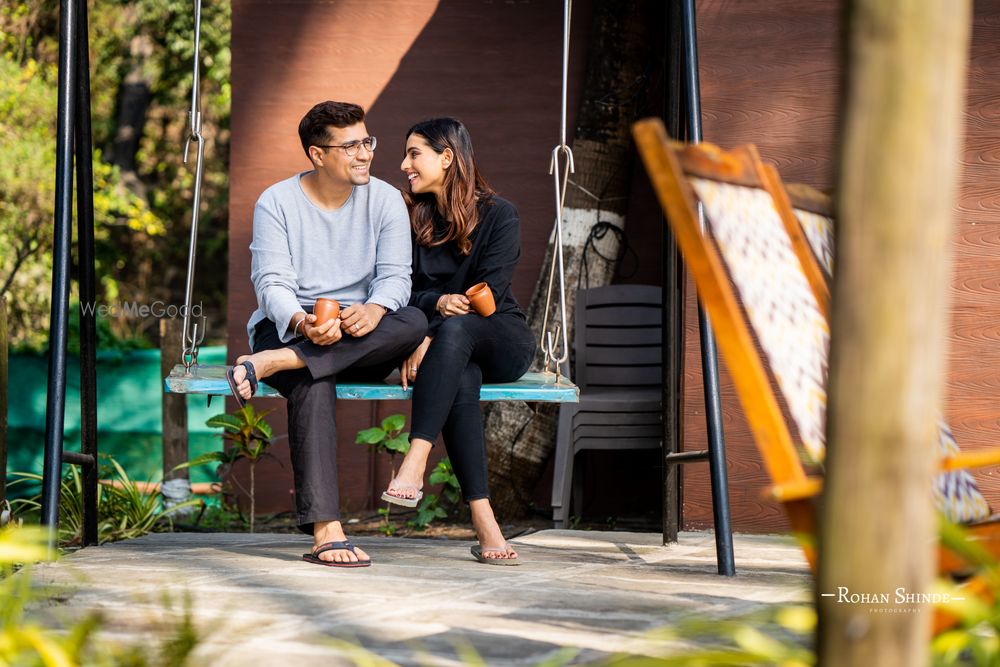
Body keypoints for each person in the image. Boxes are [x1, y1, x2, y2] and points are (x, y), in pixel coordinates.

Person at [227, 101, 427, 568]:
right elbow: (271, 283)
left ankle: (275, 363)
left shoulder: (385, 200)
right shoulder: (276, 202)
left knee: (414, 319)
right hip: (291, 329)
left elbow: (397, 278)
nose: (365, 154)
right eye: (351, 145)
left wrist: (375, 310)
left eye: (367, 142)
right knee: (314, 382)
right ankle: (327, 530)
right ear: (318, 155)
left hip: (360, 335)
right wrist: (301, 325)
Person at [383, 118, 536, 565]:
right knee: (461, 377)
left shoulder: (500, 215)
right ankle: (485, 522)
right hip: (452, 349)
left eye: (414, 154)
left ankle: (416, 459)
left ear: (446, 157)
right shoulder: (411, 218)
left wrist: (428, 331)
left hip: (502, 337)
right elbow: (400, 290)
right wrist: (429, 321)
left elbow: (486, 296)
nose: (404, 164)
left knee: (458, 330)